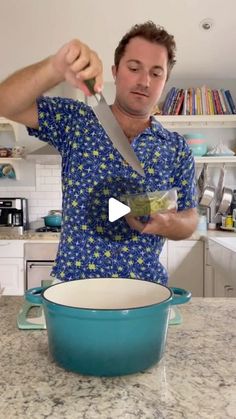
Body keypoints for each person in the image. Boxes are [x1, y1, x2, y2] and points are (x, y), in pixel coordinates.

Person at [0, 21, 198, 285]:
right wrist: (55, 68)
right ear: (115, 72)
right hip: (75, 287)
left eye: (156, 73)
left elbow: (189, 216)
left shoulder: (176, 147)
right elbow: (6, 102)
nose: (144, 81)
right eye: (134, 68)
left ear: (165, 81)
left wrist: (170, 225)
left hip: (144, 289)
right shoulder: (75, 121)